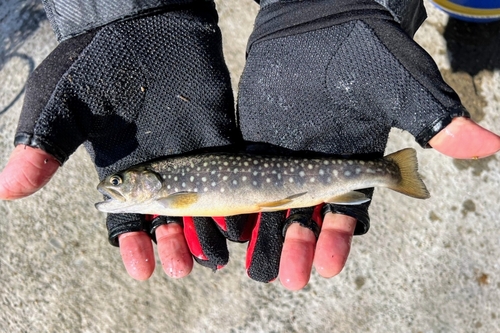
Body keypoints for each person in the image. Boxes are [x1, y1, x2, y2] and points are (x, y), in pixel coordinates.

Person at [0, 0, 499, 291]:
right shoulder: (163, 187)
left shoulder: (170, 193)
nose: (114, 189)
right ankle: (385, 171)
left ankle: (386, 170)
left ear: (144, 182)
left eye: (119, 183)